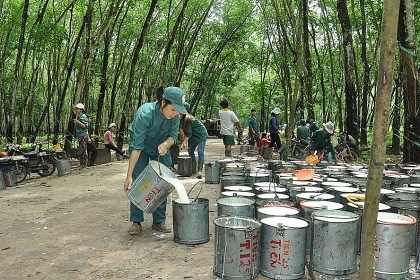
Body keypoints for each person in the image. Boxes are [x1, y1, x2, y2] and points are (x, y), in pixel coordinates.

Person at [123, 86, 187, 235]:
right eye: (173, 109)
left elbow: (173, 137)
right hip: (142, 149)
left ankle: (159, 221)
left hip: (161, 150)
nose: (175, 113)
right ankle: (136, 221)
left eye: (177, 110)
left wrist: (165, 144)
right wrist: (129, 175)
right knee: (139, 182)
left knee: (163, 183)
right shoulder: (145, 113)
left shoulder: (174, 117)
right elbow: (137, 147)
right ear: (163, 102)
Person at [179, 102, 209, 178]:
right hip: (192, 137)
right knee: (190, 152)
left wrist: (185, 141)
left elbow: (189, 134)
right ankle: (193, 170)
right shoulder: (179, 119)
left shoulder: (189, 119)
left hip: (201, 136)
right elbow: (181, 131)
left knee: (200, 151)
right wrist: (183, 142)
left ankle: (199, 171)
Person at [73, 103, 89, 169]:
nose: (76, 110)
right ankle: (82, 163)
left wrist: (77, 122)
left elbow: (85, 126)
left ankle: (84, 164)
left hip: (83, 135)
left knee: (83, 149)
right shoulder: (79, 116)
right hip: (80, 135)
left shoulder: (83, 116)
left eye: (77, 109)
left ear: (81, 110)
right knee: (81, 149)